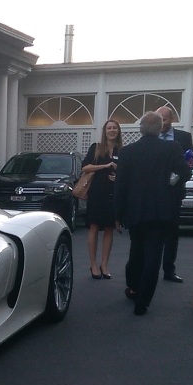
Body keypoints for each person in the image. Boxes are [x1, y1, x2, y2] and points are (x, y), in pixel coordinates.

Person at [115, 111, 193, 316]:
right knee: (153, 256)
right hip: (162, 211)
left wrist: (118, 214)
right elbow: (186, 173)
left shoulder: (127, 152)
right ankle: (143, 301)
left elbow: (120, 186)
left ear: (141, 129)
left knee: (136, 250)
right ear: (160, 129)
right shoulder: (172, 148)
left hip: (136, 210)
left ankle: (133, 286)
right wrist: (171, 182)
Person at [155, 106, 193, 283]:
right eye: (159, 119)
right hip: (154, 192)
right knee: (154, 232)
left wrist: (182, 172)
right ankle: (151, 268)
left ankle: (169, 270)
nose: (162, 123)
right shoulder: (151, 136)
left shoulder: (184, 137)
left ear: (172, 119)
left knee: (172, 232)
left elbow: (190, 162)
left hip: (174, 191)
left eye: (165, 119)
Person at [82, 120, 122, 279]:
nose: (112, 130)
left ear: (118, 131)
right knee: (94, 227)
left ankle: (104, 264)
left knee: (109, 229)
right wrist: (106, 166)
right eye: (109, 128)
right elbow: (85, 167)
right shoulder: (96, 148)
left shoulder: (122, 151)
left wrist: (118, 174)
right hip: (97, 193)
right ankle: (93, 264)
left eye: (114, 128)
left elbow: (127, 173)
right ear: (104, 131)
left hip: (113, 194)